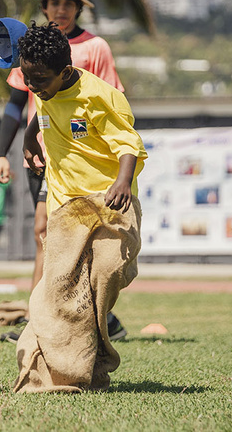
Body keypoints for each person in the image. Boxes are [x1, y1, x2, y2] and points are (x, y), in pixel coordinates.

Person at [12, 21, 146, 393]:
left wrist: (121, 181)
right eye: (27, 77)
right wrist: (29, 138)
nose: (32, 86)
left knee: (105, 272)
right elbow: (40, 111)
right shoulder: (43, 86)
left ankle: (93, 355)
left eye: (38, 79)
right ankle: (56, 369)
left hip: (109, 201)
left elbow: (128, 143)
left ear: (65, 72)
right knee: (58, 289)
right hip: (66, 206)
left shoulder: (100, 96)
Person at [0, 0, 127, 342]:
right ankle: (43, 315)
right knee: (45, 235)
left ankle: (88, 314)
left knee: (70, 238)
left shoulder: (95, 47)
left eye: (68, 3)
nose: (61, 10)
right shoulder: (31, 48)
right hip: (43, 154)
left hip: (83, 163)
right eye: (54, 3)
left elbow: (107, 102)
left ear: (78, 8)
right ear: (45, 8)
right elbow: (17, 103)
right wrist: (3, 152)